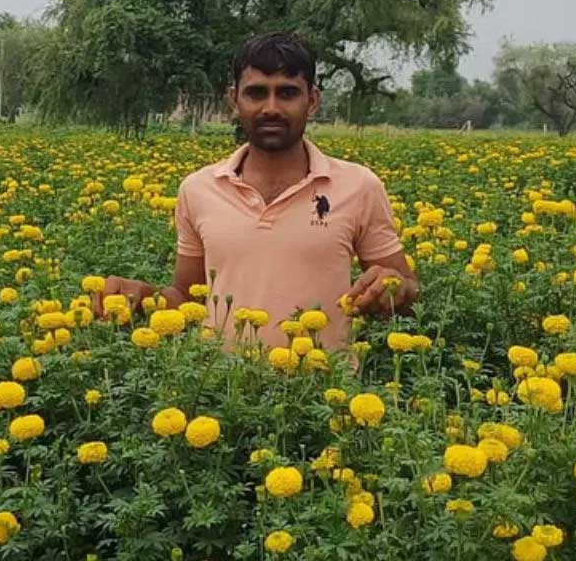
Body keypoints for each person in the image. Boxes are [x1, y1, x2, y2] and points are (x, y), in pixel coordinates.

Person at [99, 32, 418, 351]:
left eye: (288, 93)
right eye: (256, 93)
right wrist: (142, 297)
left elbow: (409, 294)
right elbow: (187, 297)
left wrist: (392, 288)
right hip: (223, 394)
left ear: (312, 101)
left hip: (322, 391)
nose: (271, 108)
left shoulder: (359, 186)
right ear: (234, 100)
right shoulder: (198, 189)